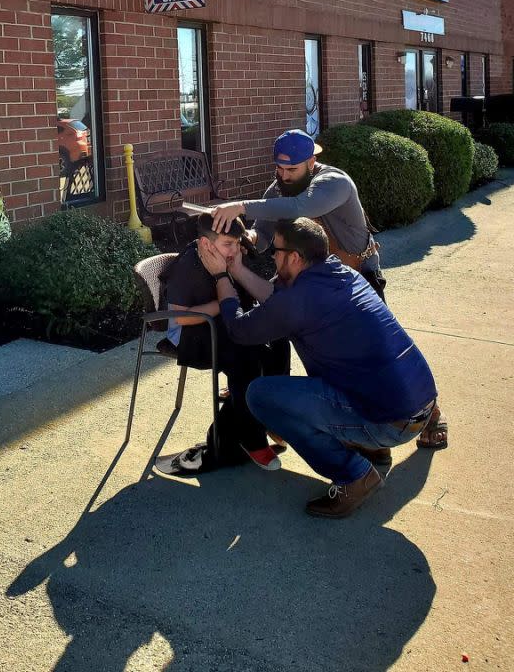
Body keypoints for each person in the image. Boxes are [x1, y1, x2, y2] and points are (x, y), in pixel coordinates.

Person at [210, 128, 448, 451]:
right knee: (313, 349)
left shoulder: (334, 183)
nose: (283, 176)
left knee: (378, 352)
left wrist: (240, 206)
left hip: (354, 279)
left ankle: (429, 412)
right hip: (310, 286)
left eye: (291, 169)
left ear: (312, 161)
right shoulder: (278, 188)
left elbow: (299, 208)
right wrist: (246, 240)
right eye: (278, 169)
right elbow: (263, 233)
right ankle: (299, 414)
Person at [198, 217, 439, 518]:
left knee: (261, 395)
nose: (270, 255)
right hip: (419, 406)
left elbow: (239, 329)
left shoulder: (299, 300)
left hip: (391, 421)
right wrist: (236, 269)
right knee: (340, 385)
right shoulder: (341, 274)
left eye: (276, 250)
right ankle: (370, 447)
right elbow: (276, 299)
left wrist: (221, 276)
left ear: (295, 257)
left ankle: (354, 475)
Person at [156, 213, 284, 476]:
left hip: (219, 325)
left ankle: (271, 415)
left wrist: (236, 269)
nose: (235, 250)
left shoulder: (228, 256)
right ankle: (252, 439)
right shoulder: (189, 265)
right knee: (246, 354)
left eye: (237, 243)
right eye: (228, 244)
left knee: (277, 339)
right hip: (190, 334)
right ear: (205, 243)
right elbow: (181, 317)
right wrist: (223, 303)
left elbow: (257, 296)